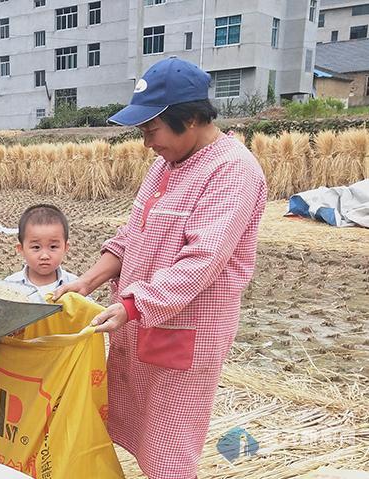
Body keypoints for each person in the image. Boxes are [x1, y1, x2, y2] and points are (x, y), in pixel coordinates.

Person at [53, 57, 267, 479]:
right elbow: (133, 233)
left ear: (189, 120)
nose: (147, 143)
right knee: (137, 428)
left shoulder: (233, 171)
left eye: (152, 131)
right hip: (142, 325)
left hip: (185, 333)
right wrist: (87, 282)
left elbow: (202, 260)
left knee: (171, 448)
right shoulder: (163, 167)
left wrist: (133, 306)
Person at [5, 204, 78, 298]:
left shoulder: (73, 285)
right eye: (36, 247)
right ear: (21, 249)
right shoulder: (9, 286)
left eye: (53, 247)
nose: (44, 256)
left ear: (65, 248)